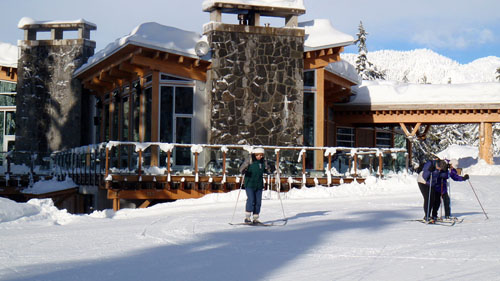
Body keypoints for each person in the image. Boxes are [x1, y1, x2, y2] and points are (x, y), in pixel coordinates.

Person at [239, 147, 268, 224]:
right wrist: (244, 171)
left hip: (259, 184)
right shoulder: (249, 160)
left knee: (258, 201)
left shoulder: (263, 162)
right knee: (251, 200)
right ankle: (247, 217)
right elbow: (241, 168)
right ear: (254, 155)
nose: (259, 157)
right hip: (250, 184)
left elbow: (266, 169)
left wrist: (270, 169)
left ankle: (255, 218)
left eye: (261, 155)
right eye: (258, 155)